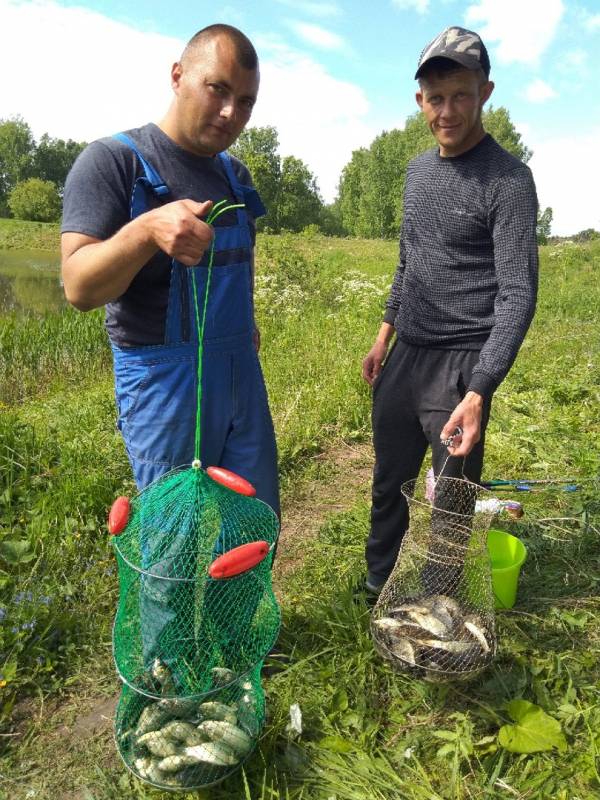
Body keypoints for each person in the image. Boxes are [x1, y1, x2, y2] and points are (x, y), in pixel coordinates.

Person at [61, 24, 279, 515]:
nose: (230, 113)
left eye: (245, 101)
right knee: (170, 546)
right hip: (163, 387)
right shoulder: (113, 163)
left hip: (239, 372)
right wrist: (145, 231)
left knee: (253, 524)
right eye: (217, 89)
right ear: (178, 75)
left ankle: (241, 598)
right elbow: (77, 286)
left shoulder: (235, 175)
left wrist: (245, 323)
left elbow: (242, 260)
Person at [361, 26, 538, 595]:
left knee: (451, 497)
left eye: (460, 94)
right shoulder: (416, 173)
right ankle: (378, 585)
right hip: (405, 355)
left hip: (463, 365)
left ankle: (437, 601)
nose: (448, 110)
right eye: (436, 98)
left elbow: (518, 294)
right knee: (389, 482)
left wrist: (480, 388)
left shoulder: (509, 180)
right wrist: (384, 334)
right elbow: (408, 260)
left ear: (485, 92)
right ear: (420, 101)